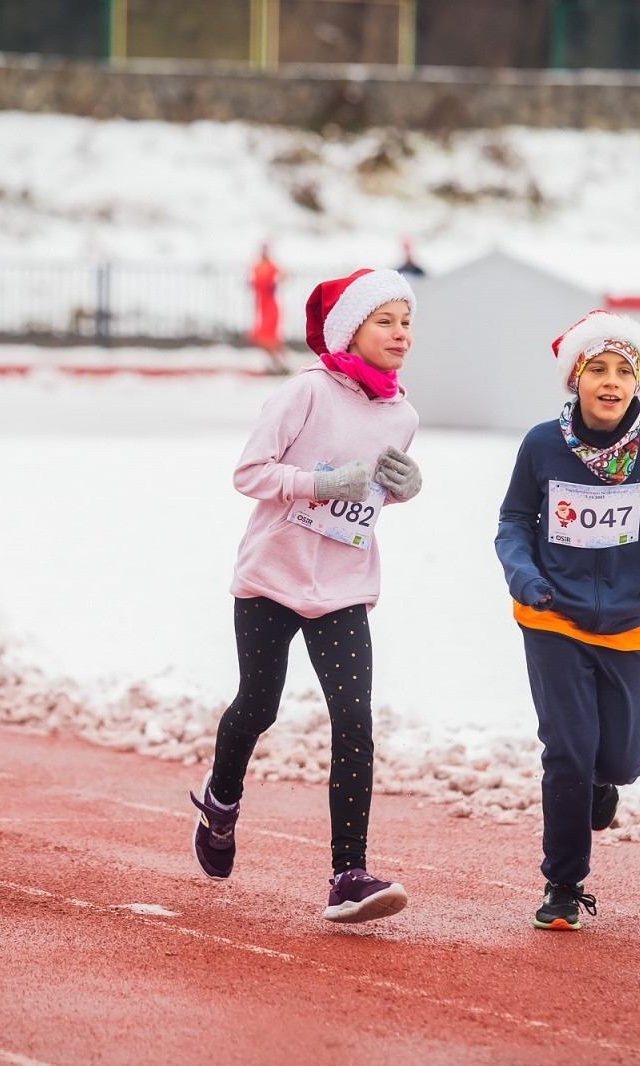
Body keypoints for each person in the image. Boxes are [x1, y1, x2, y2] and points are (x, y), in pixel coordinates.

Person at [191, 268, 424, 924]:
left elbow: (372, 498)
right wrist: (319, 483)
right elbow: (249, 473)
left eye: (407, 323)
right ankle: (222, 799)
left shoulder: (403, 413)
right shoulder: (308, 392)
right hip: (272, 577)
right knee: (258, 706)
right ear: (352, 328)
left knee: (355, 722)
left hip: (345, 586)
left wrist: (403, 489)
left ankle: (348, 874)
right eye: (387, 322)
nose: (401, 335)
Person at [494, 310, 640, 931]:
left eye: (624, 371)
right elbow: (512, 523)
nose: (611, 382)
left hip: (633, 623)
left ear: (639, 384)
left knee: (621, 761)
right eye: (598, 369)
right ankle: (562, 884)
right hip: (553, 617)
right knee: (568, 750)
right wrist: (526, 578)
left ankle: (601, 785)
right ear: (575, 380)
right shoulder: (542, 445)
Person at [248, 244, 286, 374]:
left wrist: (275, 283)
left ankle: (280, 363)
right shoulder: (256, 267)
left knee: (269, 337)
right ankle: (277, 363)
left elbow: (285, 275)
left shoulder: (271, 267)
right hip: (261, 305)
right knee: (262, 337)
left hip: (270, 304)